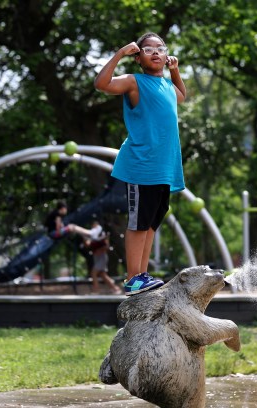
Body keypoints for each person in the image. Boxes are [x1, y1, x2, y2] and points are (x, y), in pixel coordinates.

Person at [94, 32, 186, 296]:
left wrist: (175, 71)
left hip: (164, 168)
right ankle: (133, 277)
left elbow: (181, 95)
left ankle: (142, 275)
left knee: (151, 223)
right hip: (142, 165)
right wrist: (120, 53)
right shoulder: (134, 82)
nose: (155, 53)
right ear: (138, 57)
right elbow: (101, 83)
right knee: (138, 223)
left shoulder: (168, 85)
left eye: (160, 49)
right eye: (148, 50)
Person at [86, 220, 122, 295]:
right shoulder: (92, 236)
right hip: (96, 257)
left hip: (102, 257)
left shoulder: (102, 235)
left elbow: (107, 247)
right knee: (103, 275)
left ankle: (96, 290)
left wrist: (100, 250)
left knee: (93, 273)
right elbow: (88, 245)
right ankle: (115, 288)